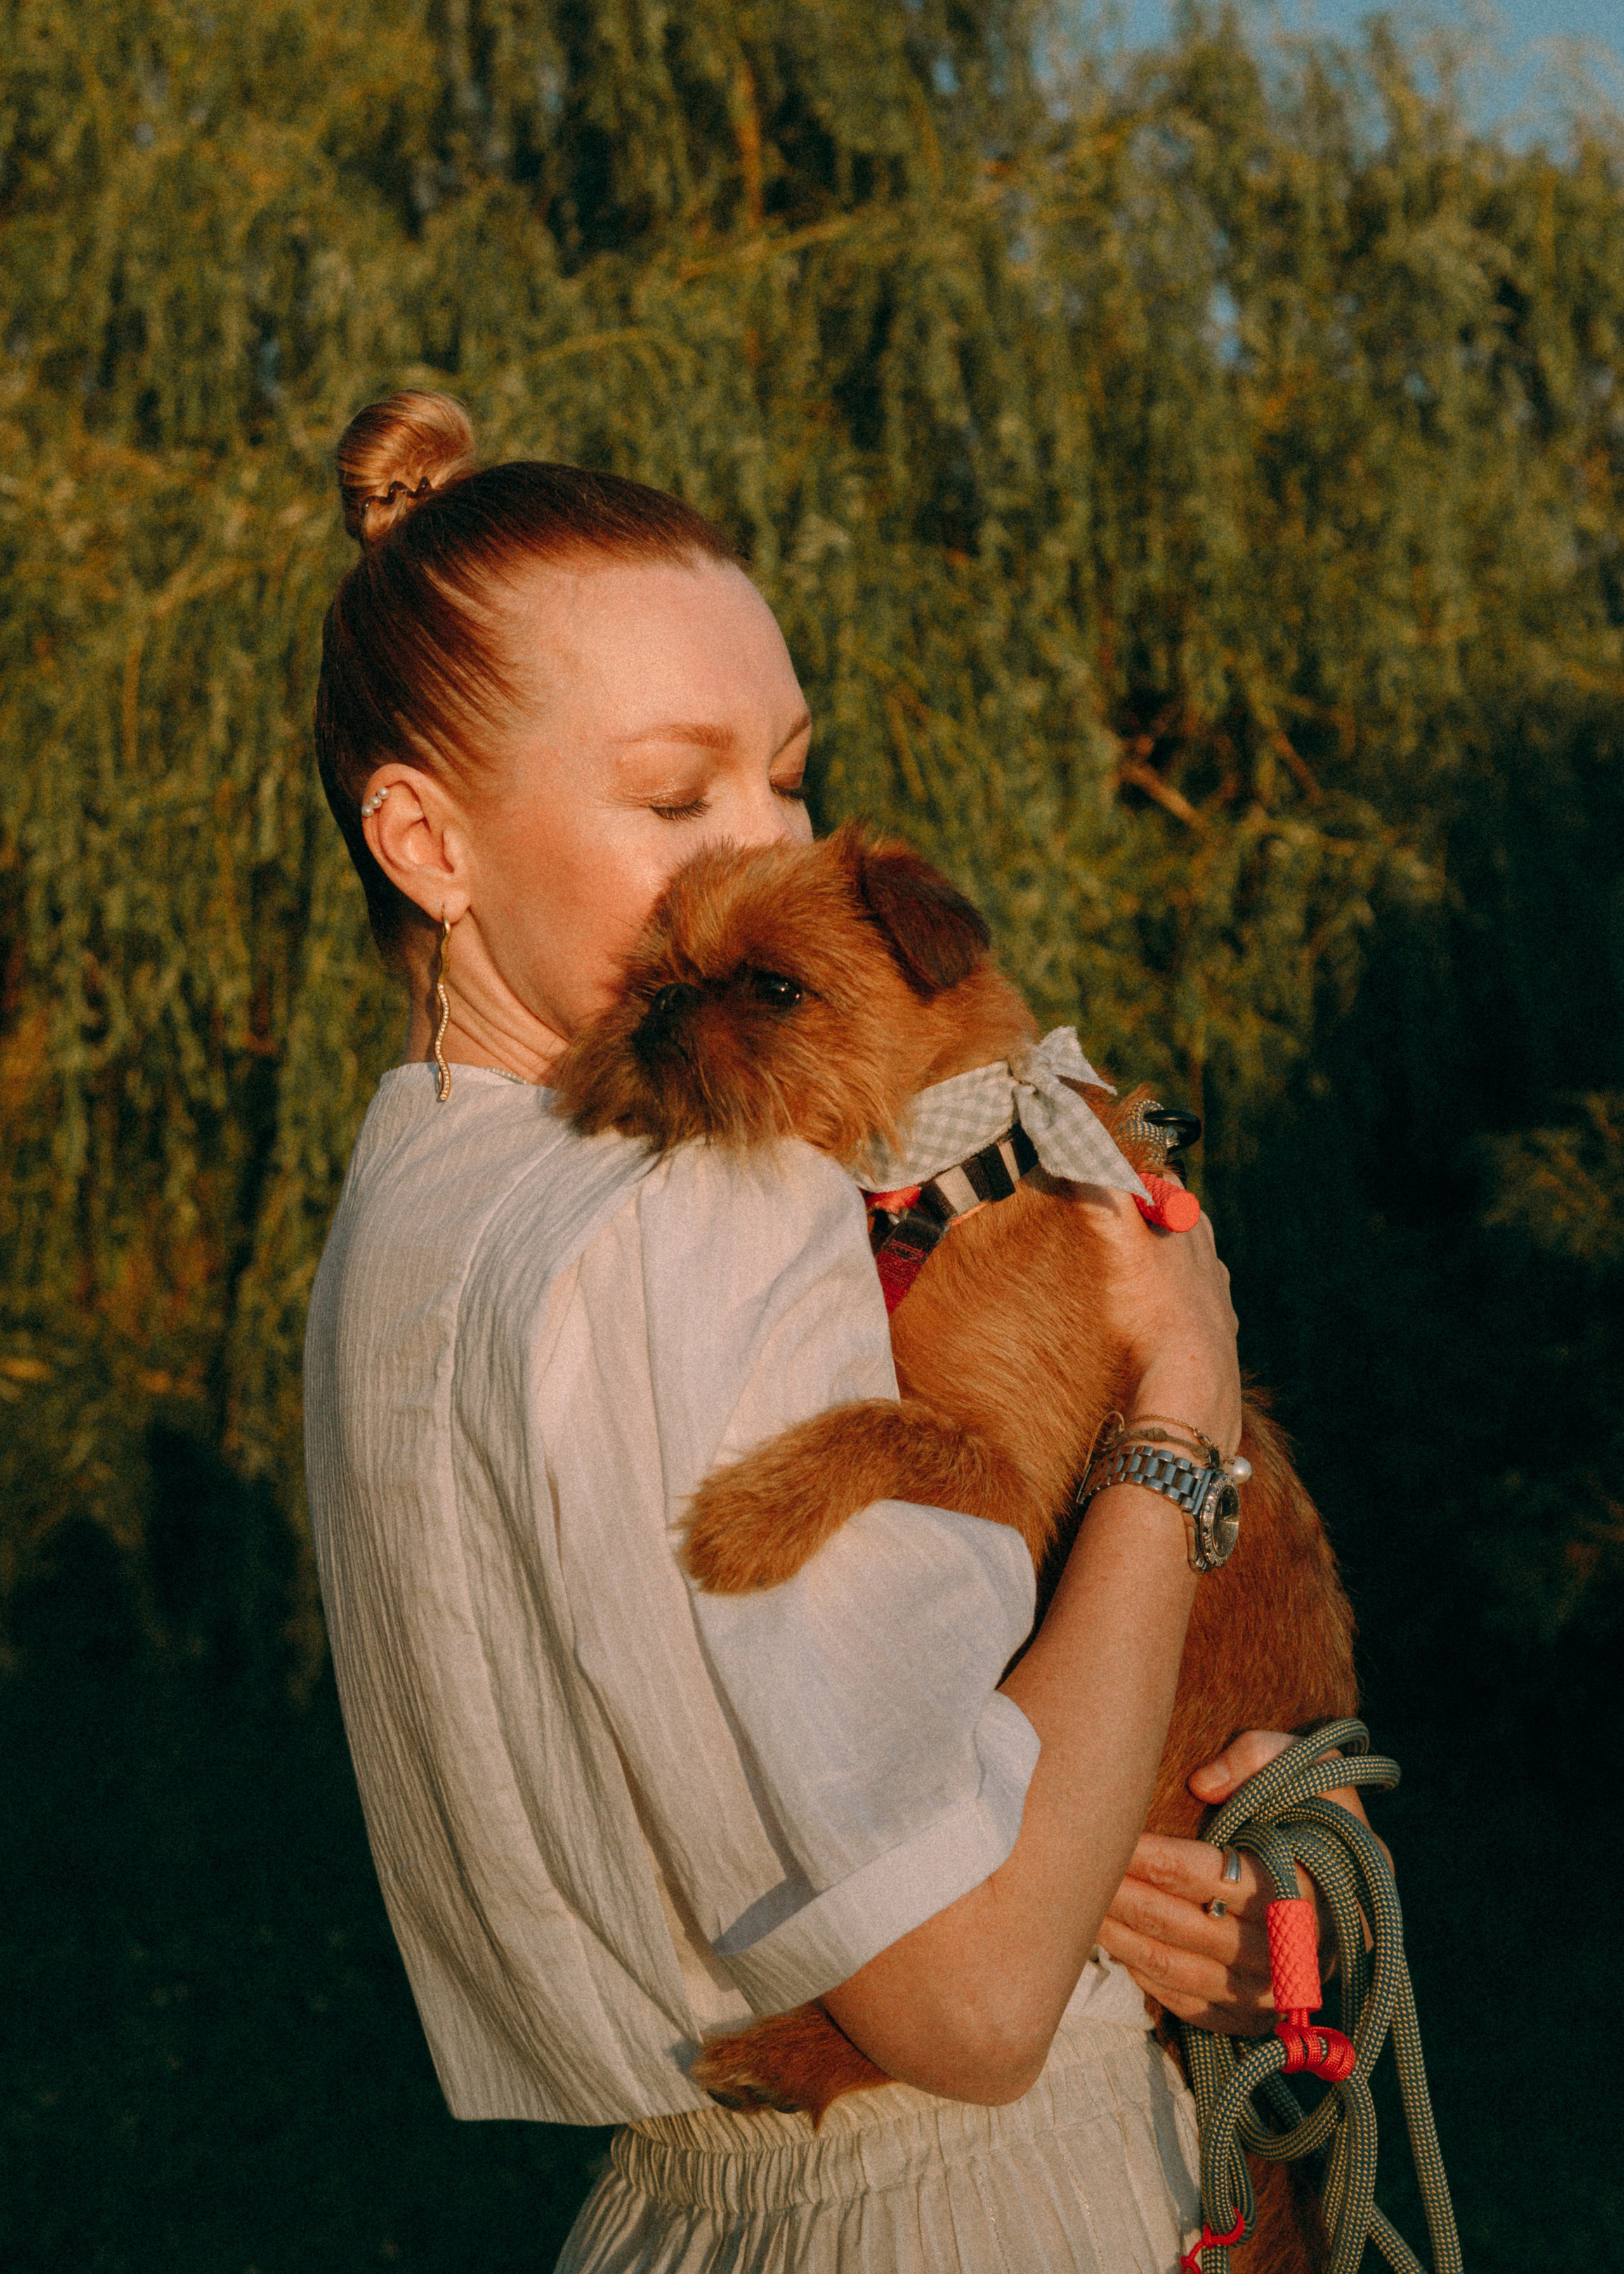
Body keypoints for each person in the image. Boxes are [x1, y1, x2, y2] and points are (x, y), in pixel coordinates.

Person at [303, 390, 1305, 2272]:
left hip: (671, 2211)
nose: (757, 853)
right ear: (427, 841)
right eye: (678, 799)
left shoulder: (397, 1226)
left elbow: (713, 1756)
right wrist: (1184, 1399)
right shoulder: (716, 1202)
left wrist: (1092, 1843)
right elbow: (976, 2003)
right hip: (990, 2203)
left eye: (786, 776)